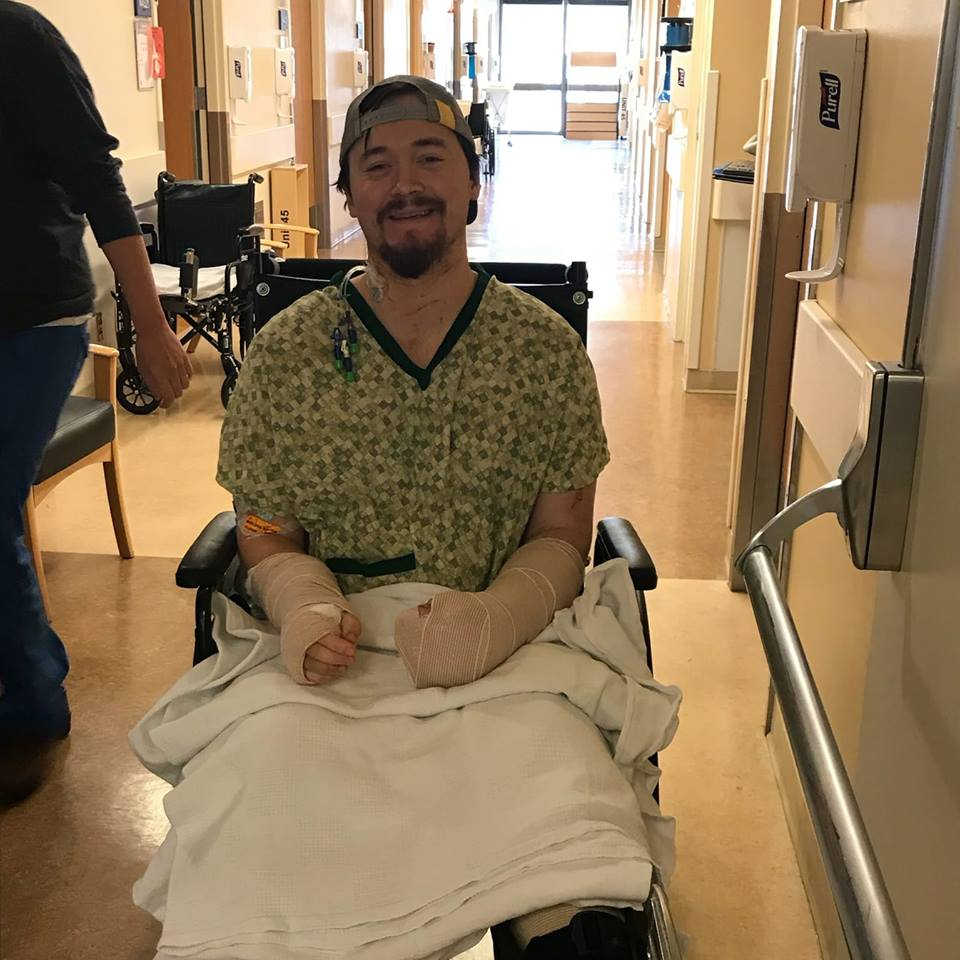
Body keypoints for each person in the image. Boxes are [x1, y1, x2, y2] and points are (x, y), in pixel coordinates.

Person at [216, 75, 633, 957]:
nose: (404, 183)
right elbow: (260, 525)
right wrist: (299, 599)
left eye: (430, 158)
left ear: (473, 182)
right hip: (330, 670)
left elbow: (563, 534)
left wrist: (498, 616)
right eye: (377, 166)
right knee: (260, 867)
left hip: (509, 660)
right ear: (349, 196)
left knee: (576, 874)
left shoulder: (542, 353)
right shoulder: (289, 354)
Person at [0, 1, 192, 803]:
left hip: (33, 319)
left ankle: (33, 711)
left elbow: (98, 180)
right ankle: (27, 664)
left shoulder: (17, 37)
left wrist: (151, 324)